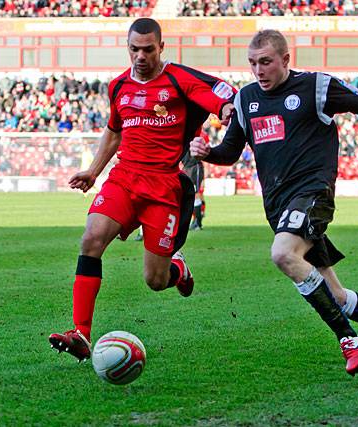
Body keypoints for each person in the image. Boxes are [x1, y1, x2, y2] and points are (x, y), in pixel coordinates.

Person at [190, 29, 358, 376]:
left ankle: (349, 340)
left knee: (283, 254)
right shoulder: (246, 100)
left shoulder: (315, 87)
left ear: (285, 60)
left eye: (266, 62)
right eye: (252, 63)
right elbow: (230, 151)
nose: (258, 70)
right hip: (278, 207)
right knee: (335, 296)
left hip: (312, 193)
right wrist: (209, 153)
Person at [49, 18, 236, 362]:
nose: (140, 56)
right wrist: (93, 171)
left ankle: (178, 271)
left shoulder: (179, 80)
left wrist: (224, 110)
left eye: (148, 49)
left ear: (161, 48)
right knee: (91, 240)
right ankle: (81, 333)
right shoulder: (119, 85)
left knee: (154, 279)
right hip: (124, 178)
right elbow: (113, 131)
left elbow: (216, 95)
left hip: (163, 186)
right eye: (134, 49)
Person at [181, 131, 207, 230]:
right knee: (188, 195)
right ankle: (193, 221)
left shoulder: (195, 135)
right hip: (187, 168)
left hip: (194, 167)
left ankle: (198, 223)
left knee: (196, 194)